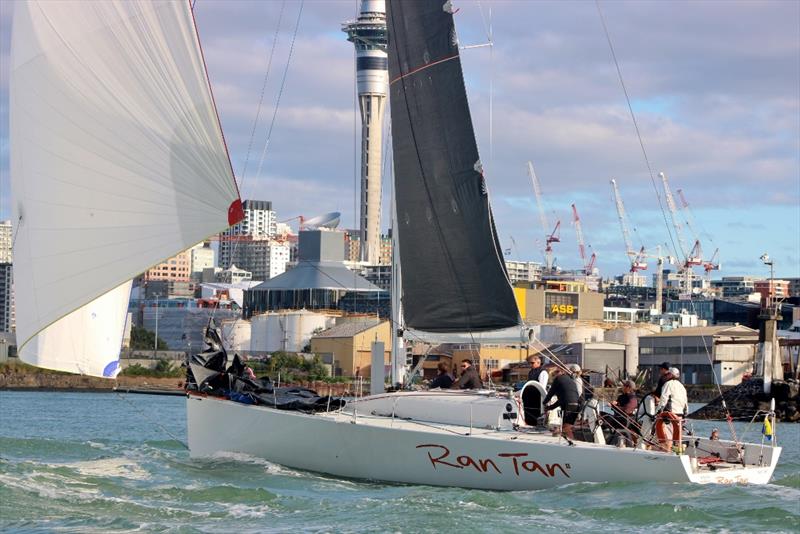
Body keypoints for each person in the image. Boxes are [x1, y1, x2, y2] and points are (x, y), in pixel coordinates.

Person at [542, 367, 581, 440]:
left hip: (569, 406)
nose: (553, 378)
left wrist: (543, 403)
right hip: (576, 405)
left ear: (555, 374)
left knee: (566, 428)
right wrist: (550, 407)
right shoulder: (569, 380)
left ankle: (572, 444)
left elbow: (551, 393)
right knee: (566, 427)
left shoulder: (558, 379)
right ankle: (568, 442)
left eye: (552, 375)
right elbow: (562, 399)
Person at [655, 367, 688, 452]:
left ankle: (667, 453)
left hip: (670, 415)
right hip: (680, 416)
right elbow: (686, 403)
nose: (665, 376)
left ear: (670, 375)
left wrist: (658, 412)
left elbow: (663, 399)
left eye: (667, 374)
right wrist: (685, 414)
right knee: (677, 439)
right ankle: (678, 453)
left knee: (668, 437)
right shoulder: (682, 386)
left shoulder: (668, 384)